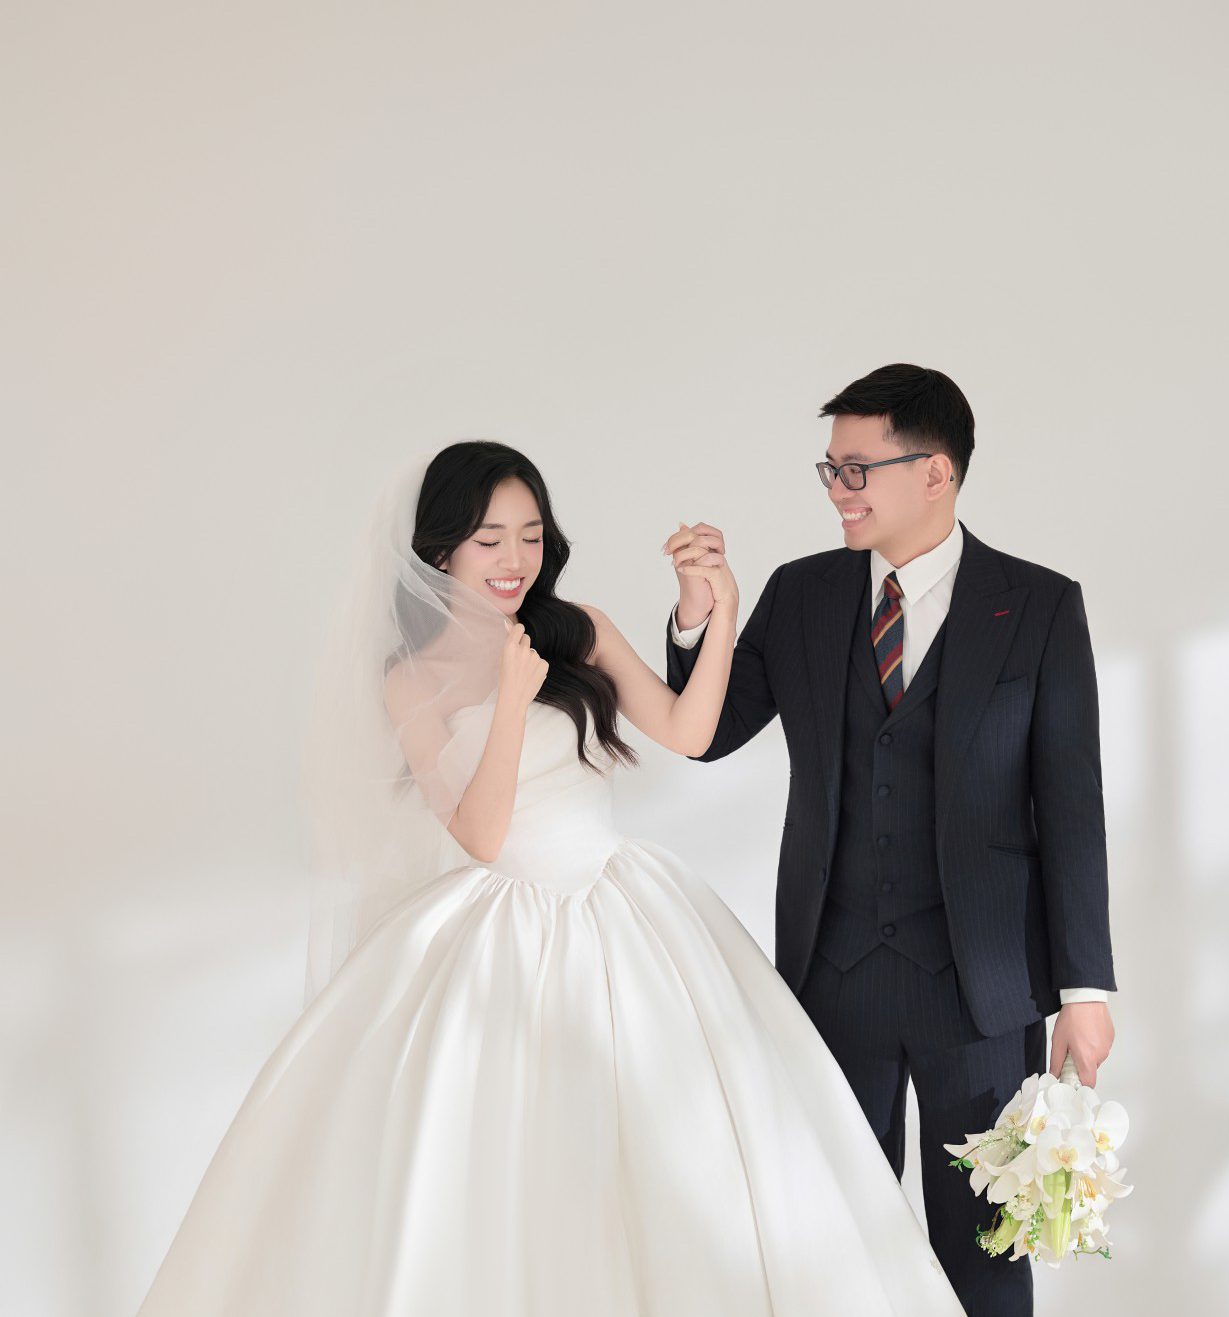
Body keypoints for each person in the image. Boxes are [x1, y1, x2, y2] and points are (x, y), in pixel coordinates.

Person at [135, 439, 965, 1316]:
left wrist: (717, 610)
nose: (514, 560)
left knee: (681, 1147)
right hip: (496, 930)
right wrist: (506, 694)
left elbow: (687, 730)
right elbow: (480, 833)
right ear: (441, 550)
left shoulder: (579, 630)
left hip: (626, 908)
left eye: (530, 536)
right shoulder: (410, 679)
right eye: (489, 539)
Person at [664, 363, 1119, 1315]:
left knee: (982, 1251)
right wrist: (700, 618)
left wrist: (1083, 992)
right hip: (834, 975)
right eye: (830, 469)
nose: (839, 489)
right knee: (833, 1240)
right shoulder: (801, 593)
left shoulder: (1039, 606)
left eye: (858, 469)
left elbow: (1072, 806)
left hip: (980, 988)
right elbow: (707, 732)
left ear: (936, 473)